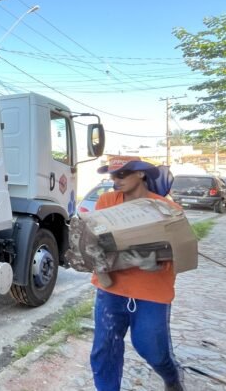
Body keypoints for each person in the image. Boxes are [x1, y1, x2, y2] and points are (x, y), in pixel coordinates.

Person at [90, 156, 185, 391]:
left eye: (122, 174)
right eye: (113, 175)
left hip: (151, 291)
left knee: (151, 349)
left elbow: (182, 251)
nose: (115, 180)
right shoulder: (107, 201)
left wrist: (159, 262)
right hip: (112, 288)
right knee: (105, 348)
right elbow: (97, 238)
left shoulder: (168, 209)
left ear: (141, 174)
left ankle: (172, 377)